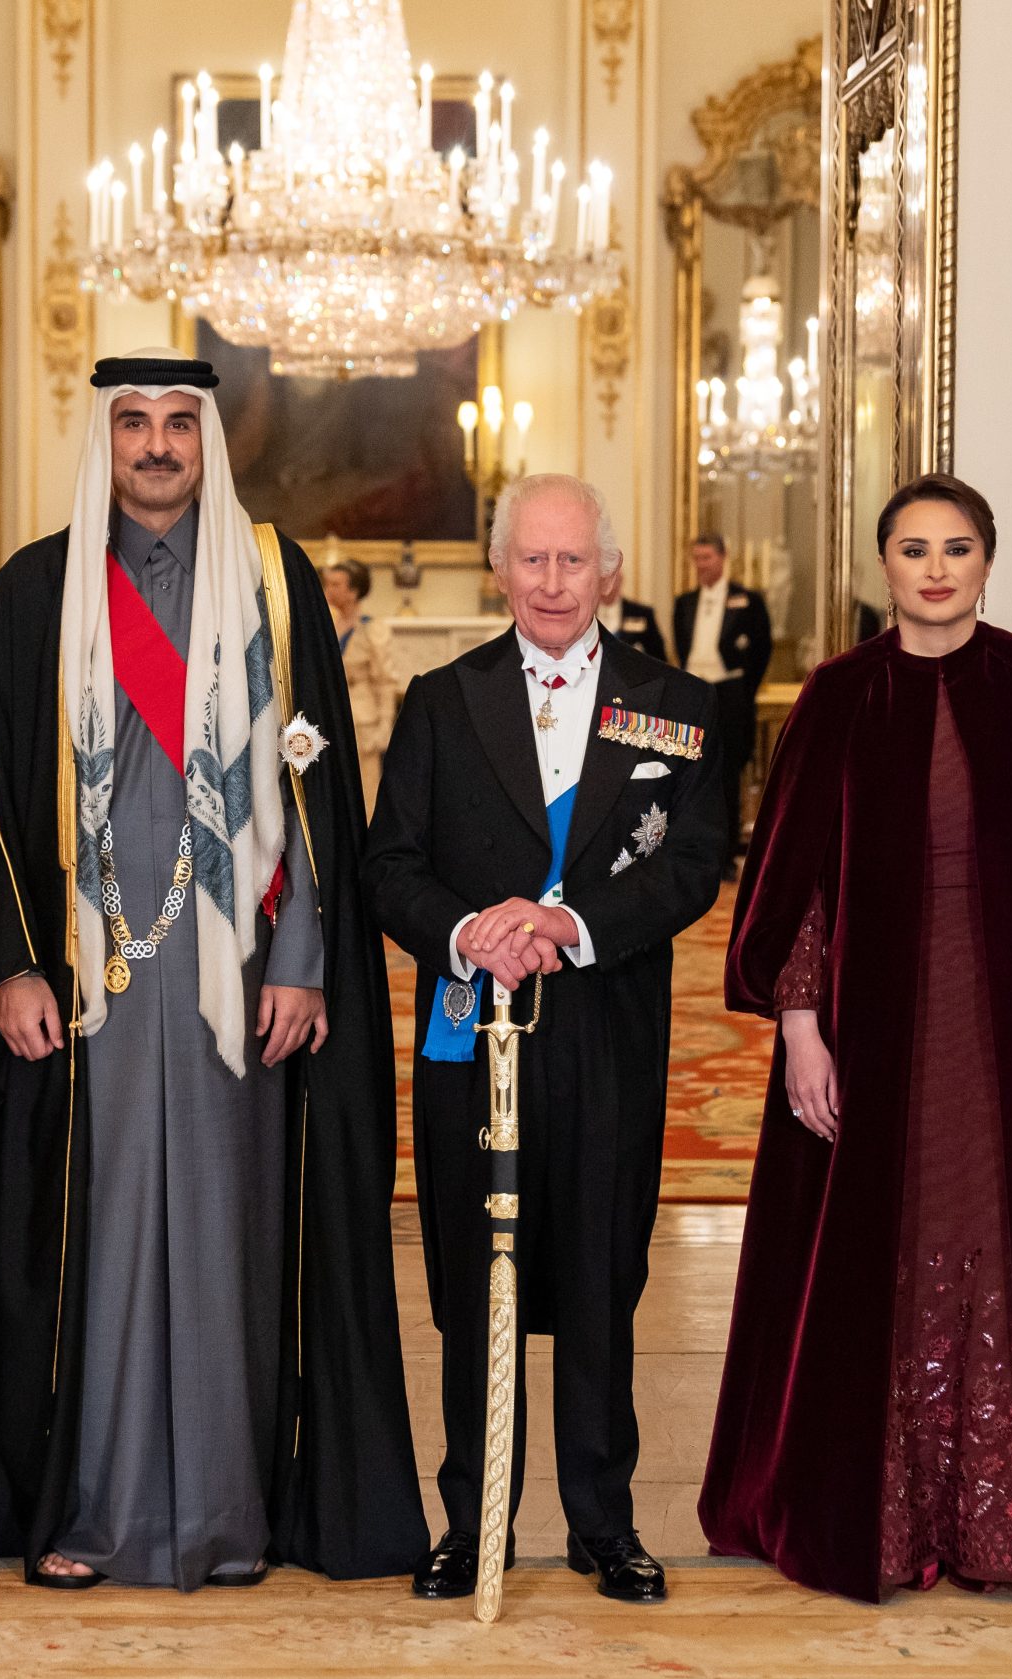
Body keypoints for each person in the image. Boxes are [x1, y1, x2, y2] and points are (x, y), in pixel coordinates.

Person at [0, 348, 425, 1591]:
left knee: (229, 1234)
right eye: (133, 425)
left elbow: (317, 774)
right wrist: (9, 966)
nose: (156, 446)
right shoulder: (38, 590)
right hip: (88, 972)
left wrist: (309, 959)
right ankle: (95, 1511)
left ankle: (224, 1516)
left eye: (176, 424)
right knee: (94, 1245)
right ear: (100, 440)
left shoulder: (271, 578)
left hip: (241, 969)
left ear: (209, 439)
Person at [697, 472, 1012, 1601]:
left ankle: (1011, 1530)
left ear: (985, 561)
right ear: (883, 565)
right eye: (913, 547)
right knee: (881, 1241)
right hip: (872, 1033)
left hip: (1011, 1027)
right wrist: (801, 1031)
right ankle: (877, 1520)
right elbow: (798, 892)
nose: (934, 568)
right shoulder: (834, 698)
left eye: (956, 547)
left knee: (1005, 1234)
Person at [365, 473, 726, 1605]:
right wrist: (472, 929)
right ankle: (470, 1527)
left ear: (607, 571)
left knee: (601, 1275)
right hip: (474, 1032)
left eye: (574, 561)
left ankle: (602, 1523)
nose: (553, 582)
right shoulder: (438, 698)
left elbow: (690, 864)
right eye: (532, 560)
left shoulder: (672, 704)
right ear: (499, 568)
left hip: (605, 1025)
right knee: (475, 1285)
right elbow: (390, 868)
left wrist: (569, 925)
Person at [670, 535, 774, 862]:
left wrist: (743, 690)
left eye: (707, 558)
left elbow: (762, 649)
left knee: (727, 774)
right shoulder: (684, 603)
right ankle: (691, 851)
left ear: (723, 557)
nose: (702, 565)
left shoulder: (748, 599)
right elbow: (680, 648)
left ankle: (726, 855)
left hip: (730, 693)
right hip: (694, 693)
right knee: (688, 774)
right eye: (696, 559)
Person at [323, 558, 399, 810]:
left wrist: (384, 726)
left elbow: (385, 682)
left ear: (353, 591)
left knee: (366, 793)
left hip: (363, 722)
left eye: (336, 584)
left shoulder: (372, 629)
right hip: (331, 717)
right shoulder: (328, 626)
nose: (329, 589)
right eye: (329, 583)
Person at [599, 578, 668, 662]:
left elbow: (658, 655)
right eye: (603, 580)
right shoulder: (587, 613)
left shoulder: (641, 614)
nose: (608, 586)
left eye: (612, 579)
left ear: (621, 581)